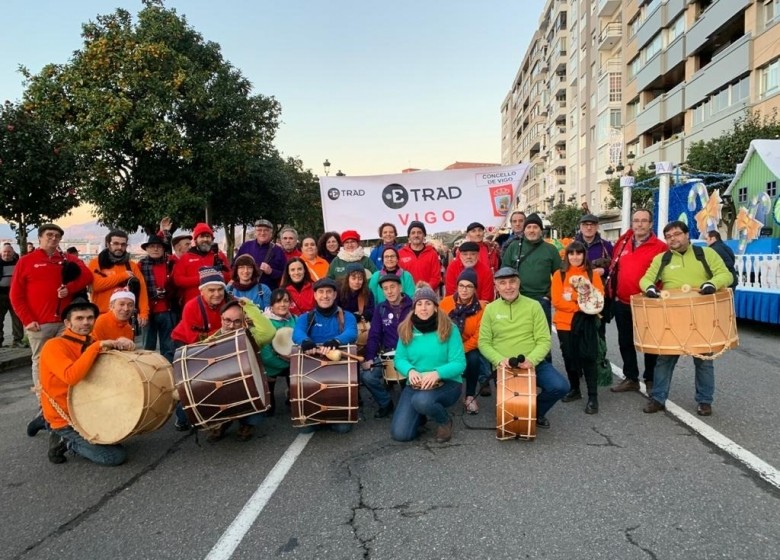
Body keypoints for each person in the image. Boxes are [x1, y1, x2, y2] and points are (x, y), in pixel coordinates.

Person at [639, 221, 733, 416]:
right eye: (669, 236)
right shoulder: (662, 259)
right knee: (665, 359)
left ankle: (705, 401)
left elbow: (726, 275)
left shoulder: (705, 254)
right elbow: (646, 279)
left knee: (704, 361)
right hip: (672, 317)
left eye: (677, 234)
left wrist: (712, 284)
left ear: (687, 235)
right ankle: (658, 398)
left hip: (702, 315)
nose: (673, 238)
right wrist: (649, 288)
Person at [10, 224, 93, 437]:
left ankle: (66, 402)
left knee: (69, 361)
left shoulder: (65, 259)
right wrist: (28, 320)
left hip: (65, 323)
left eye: (57, 236)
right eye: (49, 235)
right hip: (39, 324)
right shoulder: (26, 261)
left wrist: (71, 288)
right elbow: (16, 295)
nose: (53, 239)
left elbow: (86, 276)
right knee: (40, 363)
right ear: (39, 238)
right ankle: (45, 404)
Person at [39, 297, 134, 465]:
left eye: (90, 318)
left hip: (88, 410)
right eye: (79, 318)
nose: (86, 322)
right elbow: (71, 376)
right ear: (68, 323)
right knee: (114, 457)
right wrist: (97, 347)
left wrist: (122, 344)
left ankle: (44, 422)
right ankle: (64, 439)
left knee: (119, 437)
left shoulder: (92, 342)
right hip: (66, 416)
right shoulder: (54, 346)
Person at [479, 267, 569, 429]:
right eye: (503, 283)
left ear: (519, 283)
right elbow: (484, 342)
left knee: (560, 386)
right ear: (496, 287)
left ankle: (535, 412)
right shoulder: (490, 309)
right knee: (510, 415)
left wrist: (531, 360)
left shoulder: (534, 306)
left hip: (533, 363)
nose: (508, 287)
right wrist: (500, 360)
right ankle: (522, 410)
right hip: (504, 366)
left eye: (512, 282)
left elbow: (544, 340)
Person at [390, 283, 466, 443]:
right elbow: (399, 359)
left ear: (436, 307)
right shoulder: (406, 328)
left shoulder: (449, 329)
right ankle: (420, 413)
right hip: (416, 383)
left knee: (422, 401)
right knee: (401, 434)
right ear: (414, 308)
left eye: (428, 303)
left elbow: (459, 363)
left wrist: (437, 372)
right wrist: (410, 371)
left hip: (447, 382)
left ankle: (444, 421)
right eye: (419, 304)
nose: (423, 308)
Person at [607, 209, 667, 394]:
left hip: (647, 303)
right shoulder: (623, 242)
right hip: (622, 302)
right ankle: (631, 377)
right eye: (636, 220)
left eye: (643, 221)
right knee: (625, 342)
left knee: (650, 343)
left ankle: (650, 379)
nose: (639, 224)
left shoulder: (660, 247)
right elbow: (614, 266)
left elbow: (665, 275)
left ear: (650, 224)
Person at [292, 277, 358, 434]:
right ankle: (315, 410)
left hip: (338, 371)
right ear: (315, 295)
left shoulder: (346, 316)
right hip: (311, 371)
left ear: (335, 295)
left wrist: (337, 340)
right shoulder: (305, 317)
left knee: (342, 428)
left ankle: (336, 409)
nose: (325, 296)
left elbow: (352, 332)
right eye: (320, 292)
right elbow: (297, 333)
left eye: (329, 292)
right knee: (305, 429)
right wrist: (305, 341)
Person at [203, 298, 274, 442]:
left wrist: (249, 305)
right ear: (221, 319)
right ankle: (222, 422)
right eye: (227, 320)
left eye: (237, 321)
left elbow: (269, 332)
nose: (231, 325)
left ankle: (247, 424)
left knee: (256, 392)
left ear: (243, 322)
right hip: (221, 389)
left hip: (248, 389)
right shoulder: (211, 341)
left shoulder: (251, 336)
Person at [170, 267, 230, 430]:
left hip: (214, 343)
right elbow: (193, 340)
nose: (217, 294)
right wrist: (222, 333)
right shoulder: (191, 307)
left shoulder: (230, 303)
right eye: (211, 290)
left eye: (220, 290)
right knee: (191, 383)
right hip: (185, 344)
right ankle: (182, 417)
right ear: (202, 291)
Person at [551, 242, 604, 414]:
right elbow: (557, 301)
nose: (575, 257)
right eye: (571, 253)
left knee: (588, 358)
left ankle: (593, 397)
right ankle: (575, 389)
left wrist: (572, 297)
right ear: (567, 256)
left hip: (587, 322)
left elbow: (598, 298)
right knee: (570, 358)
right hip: (565, 324)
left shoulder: (592, 275)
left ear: (584, 255)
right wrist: (582, 303)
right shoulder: (560, 275)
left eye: (579, 253)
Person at [361, 274, 413, 419]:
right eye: (385, 289)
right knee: (368, 376)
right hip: (388, 354)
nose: (389, 291)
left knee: (408, 390)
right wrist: (369, 358)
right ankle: (385, 403)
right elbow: (374, 335)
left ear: (400, 287)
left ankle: (409, 408)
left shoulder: (414, 306)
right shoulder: (380, 309)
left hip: (410, 355)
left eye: (392, 287)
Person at [501, 213, 562, 335]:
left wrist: (549, 296)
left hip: (541, 300)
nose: (531, 230)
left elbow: (559, 276)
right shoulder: (514, 247)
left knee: (542, 337)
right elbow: (504, 273)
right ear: (524, 230)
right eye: (528, 227)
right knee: (519, 336)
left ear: (541, 230)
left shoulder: (550, 250)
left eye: (535, 227)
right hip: (518, 298)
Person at [439, 268, 487, 415]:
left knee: (473, 358)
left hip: (467, 346)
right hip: (446, 345)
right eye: (461, 285)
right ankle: (440, 392)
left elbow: (478, 337)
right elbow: (438, 327)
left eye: (469, 286)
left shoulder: (481, 309)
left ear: (474, 289)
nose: (464, 290)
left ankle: (470, 396)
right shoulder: (445, 303)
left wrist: (460, 350)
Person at [88, 229, 149, 328]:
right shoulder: (96, 263)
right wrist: (123, 276)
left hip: (125, 317)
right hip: (101, 316)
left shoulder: (131, 265)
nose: (119, 247)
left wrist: (144, 312)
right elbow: (96, 285)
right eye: (115, 243)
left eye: (123, 244)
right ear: (108, 244)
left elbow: (142, 290)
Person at [138, 234, 176, 362]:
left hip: (168, 309)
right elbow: (137, 289)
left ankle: (168, 371)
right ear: (147, 249)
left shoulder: (170, 263)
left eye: (158, 247)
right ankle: (148, 372)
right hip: (148, 310)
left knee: (169, 346)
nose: (155, 249)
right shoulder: (141, 265)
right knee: (148, 347)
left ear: (163, 249)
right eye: (152, 247)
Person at [172, 223, 231, 304]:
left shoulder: (219, 256)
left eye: (208, 236)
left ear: (212, 239)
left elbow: (230, 276)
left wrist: (219, 275)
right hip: (192, 304)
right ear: (195, 240)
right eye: (202, 236)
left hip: (217, 303)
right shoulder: (186, 257)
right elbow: (178, 280)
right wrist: (203, 278)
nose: (205, 239)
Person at [260, 289, 297, 415]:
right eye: (278, 301)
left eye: (286, 301)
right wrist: (286, 358)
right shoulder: (264, 322)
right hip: (270, 364)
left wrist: (292, 359)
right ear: (272, 304)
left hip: (291, 362)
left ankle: (292, 396)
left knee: (296, 400)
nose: (282, 304)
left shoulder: (294, 319)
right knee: (269, 411)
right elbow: (265, 354)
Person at [234, 219, 285, 290]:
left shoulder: (278, 250)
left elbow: (285, 274)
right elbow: (234, 266)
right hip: (246, 291)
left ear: (271, 233)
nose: (262, 233)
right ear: (255, 232)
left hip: (268, 293)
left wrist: (271, 271)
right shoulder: (246, 246)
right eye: (259, 230)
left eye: (266, 230)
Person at [398, 221, 442, 291]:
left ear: (424, 235)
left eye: (419, 232)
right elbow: (399, 276)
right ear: (409, 237)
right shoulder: (400, 254)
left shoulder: (432, 253)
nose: (416, 235)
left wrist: (427, 288)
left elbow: (436, 277)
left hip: (427, 294)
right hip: (407, 295)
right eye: (413, 233)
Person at [575, 214, 613, 280]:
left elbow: (616, 267)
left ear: (597, 227)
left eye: (592, 225)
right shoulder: (572, 246)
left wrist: (604, 271)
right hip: (577, 286)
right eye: (586, 224)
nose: (589, 228)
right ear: (580, 227)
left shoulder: (607, 246)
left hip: (600, 287)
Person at [0, 243, 24, 347]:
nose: (6, 254)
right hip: (1, 295)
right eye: (5, 252)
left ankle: (17, 340)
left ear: (13, 253)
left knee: (17, 318)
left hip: (15, 295)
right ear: (1, 253)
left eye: (9, 252)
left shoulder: (18, 263)